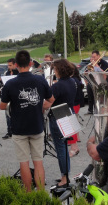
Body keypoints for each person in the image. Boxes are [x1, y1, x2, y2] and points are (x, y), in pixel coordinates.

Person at [0, 50, 54, 192]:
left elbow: (2, 106)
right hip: (37, 126)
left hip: (19, 128)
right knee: (38, 162)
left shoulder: (10, 84)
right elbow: (51, 100)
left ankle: (28, 194)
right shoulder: (40, 80)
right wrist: (39, 106)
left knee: (23, 163)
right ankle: (41, 194)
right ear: (30, 63)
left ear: (16, 65)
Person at [44, 59, 77, 187]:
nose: (54, 72)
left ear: (59, 70)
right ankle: (66, 175)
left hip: (58, 116)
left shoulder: (57, 85)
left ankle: (64, 178)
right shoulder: (73, 81)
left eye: (55, 69)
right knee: (64, 146)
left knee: (60, 148)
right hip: (69, 114)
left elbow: (47, 104)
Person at [85, 50, 108, 115]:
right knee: (90, 96)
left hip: (101, 82)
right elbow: (86, 73)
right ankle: (90, 110)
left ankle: (100, 110)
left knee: (100, 97)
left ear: (98, 56)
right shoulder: (90, 64)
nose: (93, 59)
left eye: (94, 57)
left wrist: (96, 66)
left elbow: (105, 74)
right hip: (93, 81)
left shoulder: (104, 63)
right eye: (92, 57)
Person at [68, 63, 83, 157]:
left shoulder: (73, 80)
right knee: (74, 122)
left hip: (74, 104)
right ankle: (76, 139)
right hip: (76, 104)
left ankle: (74, 146)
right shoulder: (76, 80)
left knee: (71, 125)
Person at [2, 58, 19, 139]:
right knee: (7, 114)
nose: (9, 67)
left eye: (10, 65)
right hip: (9, 95)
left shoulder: (18, 72)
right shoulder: (7, 73)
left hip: (17, 96)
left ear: (15, 65)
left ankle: (17, 130)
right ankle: (9, 131)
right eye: (8, 65)